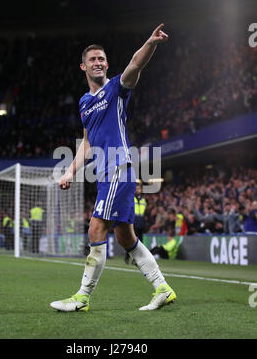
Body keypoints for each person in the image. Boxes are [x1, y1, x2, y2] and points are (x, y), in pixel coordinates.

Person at [50, 24, 176, 312]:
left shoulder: (117, 88)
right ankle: (162, 288)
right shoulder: (84, 102)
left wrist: (151, 42)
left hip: (118, 167)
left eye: (102, 59)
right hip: (104, 172)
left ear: (107, 64)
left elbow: (135, 64)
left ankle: (82, 297)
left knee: (96, 227)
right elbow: (87, 143)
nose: (99, 62)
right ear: (83, 66)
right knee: (124, 236)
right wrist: (70, 171)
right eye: (93, 59)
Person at [125, 181, 147, 264]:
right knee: (131, 240)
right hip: (133, 221)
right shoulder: (131, 199)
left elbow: (144, 212)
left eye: (139, 189)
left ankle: (137, 258)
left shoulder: (144, 200)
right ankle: (127, 257)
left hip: (140, 222)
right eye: (137, 189)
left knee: (140, 242)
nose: (138, 190)